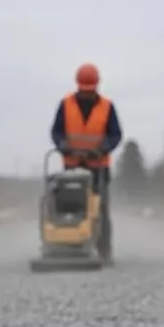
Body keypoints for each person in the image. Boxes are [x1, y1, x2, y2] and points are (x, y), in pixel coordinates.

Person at [50, 63, 123, 262]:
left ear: (97, 85)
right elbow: (56, 132)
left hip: (99, 167)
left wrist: (102, 149)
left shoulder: (107, 106)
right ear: (78, 85)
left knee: (101, 208)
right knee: (70, 207)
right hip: (72, 167)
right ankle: (68, 246)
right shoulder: (66, 105)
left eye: (90, 90)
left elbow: (115, 134)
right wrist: (64, 146)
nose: (87, 93)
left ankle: (104, 250)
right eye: (84, 89)